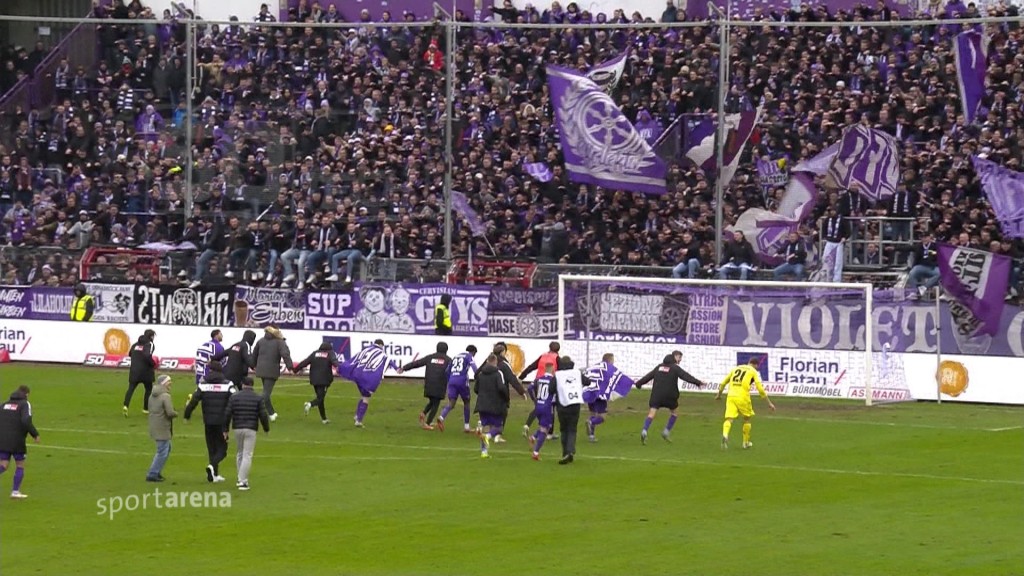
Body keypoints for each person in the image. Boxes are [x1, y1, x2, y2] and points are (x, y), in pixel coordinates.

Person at [634, 354, 707, 445]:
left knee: (651, 413)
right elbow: (686, 376)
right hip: (670, 396)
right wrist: (698, 383)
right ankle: (666, 431)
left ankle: (644, 430)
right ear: (673, 360)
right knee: (675, 413)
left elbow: (648, 376)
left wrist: (638, 384)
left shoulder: (659, 367)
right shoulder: (675, 368)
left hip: (657, 395)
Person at [184, 365, 236, 483]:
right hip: (222, 422)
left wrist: (187, 414)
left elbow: (194, 400)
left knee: (211, 447)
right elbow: (234, 398)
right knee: (222, 449)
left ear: (211, 370)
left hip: (208, 421)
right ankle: (213, 466)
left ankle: (214, 475)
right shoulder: (227, 384)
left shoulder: (203, 384)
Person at [716, 357, 775, 449]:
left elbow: (723, 383)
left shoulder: (736, 368)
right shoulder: (753, 371)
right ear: (756, 365)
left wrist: (719, 395)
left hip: (731, 396)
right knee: (747, 419)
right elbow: (760, 389)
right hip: (743, 397)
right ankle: (745, 443)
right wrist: (769, 403)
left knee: (729, 419)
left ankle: (725, 435)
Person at [224, 377, 270, 490]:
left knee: (239, 453)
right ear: (252, 385)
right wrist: (266, 428)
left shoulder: (234, 397)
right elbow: (263, 415)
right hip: (251, 428)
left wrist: (225, 429)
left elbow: (227, 413)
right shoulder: (258, 398)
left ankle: (240, 478)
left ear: (242, 384)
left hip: (237, 428)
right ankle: (243, 481)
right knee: (247, 454)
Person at [398, 342, 452, 431]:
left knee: (432, 401)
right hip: (440, 384)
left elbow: (417, 363)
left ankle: (423, 413)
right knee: (436, 403)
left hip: (429, 383)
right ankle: (427, 423)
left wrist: (404, 368)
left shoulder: (430, 357)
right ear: (446, 350)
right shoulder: (448, 360)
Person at [0, 385, 40, 498]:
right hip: (17, 440)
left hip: (2, 439)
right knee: (20, 464)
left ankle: (15, 492)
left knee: (3, 464)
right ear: (26, 394)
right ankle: (15, 492)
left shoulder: (4, 405)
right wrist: (35, 434)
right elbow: (26, 420)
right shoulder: (24, 404)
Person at [338, 339, 389, 428]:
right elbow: (388, 364)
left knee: (363, 396)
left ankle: (357, 416)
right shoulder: (382, 354)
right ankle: (359, 420)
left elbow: (354, 359)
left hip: (357, 376)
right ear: (381, 345)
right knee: (366, 398)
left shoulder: (366, 350)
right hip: (366, 379)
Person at [252, 325, 294, 422]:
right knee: (265, 395)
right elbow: (285, 354)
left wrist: (253, 365)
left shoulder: (260, 341)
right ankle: (253, 409)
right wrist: (290, 367)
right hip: (271, 370)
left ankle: (272, 414)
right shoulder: (280, 342)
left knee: (266, 393)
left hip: (261, 369)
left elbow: (254, 353)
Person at [519, 341, 560, 438]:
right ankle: (549, 433)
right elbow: (563, 370)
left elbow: (531, 367)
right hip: (549, 384)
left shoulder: (543, 356)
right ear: (558, 350)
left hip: (538, 383)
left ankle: (527, 425)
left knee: (539, 406)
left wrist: (521, 377)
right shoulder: (557, 358)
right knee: (550, 407)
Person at [552, 356, 588, 465]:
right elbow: (588, 382)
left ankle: (565, 453)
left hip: (562, 405)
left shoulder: (558, 375)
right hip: (574, 405)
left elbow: (550, 389)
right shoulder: (576, 374)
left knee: (563, 429)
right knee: (572, 429)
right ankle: (570, 451)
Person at [473, 354, 510, 459]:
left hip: (482, 404)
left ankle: (484, 452)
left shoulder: (481, 374)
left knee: (485, 427)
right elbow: (501, 388)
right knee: (498, 428)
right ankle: (488, 437)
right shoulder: (498, 373)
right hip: (495, 404)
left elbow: (476, 389)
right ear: (495, 362)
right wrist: (506, 398)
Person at [295, 341, 339, 424]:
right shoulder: (330, 353)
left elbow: (305, 362)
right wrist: (343, 369)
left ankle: (324, 419)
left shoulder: (315, 353)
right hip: (324, 379)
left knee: (320, 398)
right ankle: (310, 404)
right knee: (320, 398)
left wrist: (295, 370)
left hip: (314, 379)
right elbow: (335, 362)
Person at [492, 342, 527, 443]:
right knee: (502, 412)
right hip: (500, 391)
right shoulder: (504, 364)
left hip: (487, 390)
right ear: (503, 352)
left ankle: (484, 428)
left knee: (489, 410)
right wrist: (522, 392)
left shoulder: (489, 361)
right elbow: (512, 378)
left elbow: (478, 373)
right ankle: (497, 435)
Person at [439, 345, 478, 433]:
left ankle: (441, 417)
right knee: (467, 402)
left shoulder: (456, 356)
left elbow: (447, 371)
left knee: (451, 403)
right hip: (462, 380)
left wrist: (450, 380)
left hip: (452, 380)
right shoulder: (469, 356)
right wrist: (478, 376)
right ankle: (467, 427)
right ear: (473, 352)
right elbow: (474, 367)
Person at [145, 375, 175, 483]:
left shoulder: (152, 395)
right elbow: (170, 412)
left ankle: (156, 472)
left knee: (167, 448)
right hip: (162, 426)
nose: (170, 383)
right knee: (162, 451)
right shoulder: (165, 396)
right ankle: (152, 473)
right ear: (163, 383)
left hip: (154, 425)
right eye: (169, 381)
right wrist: (176, 413)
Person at [123, 329, 157, 416]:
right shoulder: (150, 344)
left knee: (130, 389)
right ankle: (145, 408)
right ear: (151, 336)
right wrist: (153, 364)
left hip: (134, 370)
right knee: (148, 389)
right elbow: (147, 355)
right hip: (146, 371)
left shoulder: (135, 344)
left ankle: (126, 406)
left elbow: (130, 354)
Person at [527, 367, 555, 460]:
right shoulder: (553, 380)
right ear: (553, 370)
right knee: (545, 430)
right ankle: (535, 453)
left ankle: (533, 437)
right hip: (547, 407)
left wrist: (534, 399)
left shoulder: (539, 378)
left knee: (544, 426)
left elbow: (529, 388)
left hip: (538, 406)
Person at [908, 232, 940, 297]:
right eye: (922, 238)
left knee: (939, 273)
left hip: (932, 267)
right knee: (912, 273)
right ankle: (913, 292)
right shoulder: (918, 246)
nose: (924, 239)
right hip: (921, 266)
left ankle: (924, 287)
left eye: (925, 237)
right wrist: (895, 248)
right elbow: (907, 248)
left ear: (929, 238)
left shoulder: (936, 246)